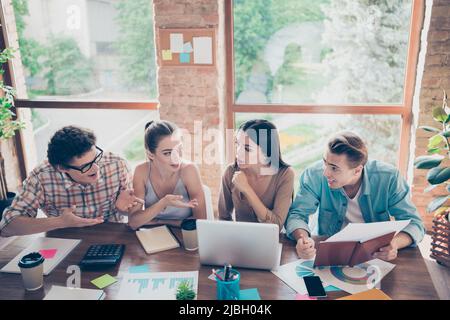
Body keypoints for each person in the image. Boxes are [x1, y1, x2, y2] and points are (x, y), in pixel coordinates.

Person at [286, 131, 425, 261]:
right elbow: (297, 214)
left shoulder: (389, 178)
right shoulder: (313, 175)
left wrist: (394, 244)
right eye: (325, 163)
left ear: (357, 170)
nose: (325, 173)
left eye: (334, 168)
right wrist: (302, 239)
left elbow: (414, 224)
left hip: (373, 256)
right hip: (329, 253)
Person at [0, 126, 139, 237]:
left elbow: (134, 216)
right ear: (62, 168)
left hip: (112, 239)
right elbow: (7, 226)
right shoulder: (41, 177)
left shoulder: (117, 165)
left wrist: (125, 210)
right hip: (64, 243)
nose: (96, 168)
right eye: (86, 166)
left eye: (96, 158)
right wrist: (59, 222)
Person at [126, 120, 206, 229]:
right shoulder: (141, 171)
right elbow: (133, 222)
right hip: (154, 237)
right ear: (150, 154)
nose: (176, 158)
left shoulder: (189, 170)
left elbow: (200, 223)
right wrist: (163, 203)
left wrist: (158, 221)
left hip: (185, 236)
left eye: (179, 150)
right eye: (167, 153)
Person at [218, 119, 295, 231]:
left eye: (247, 149)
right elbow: (224, 218)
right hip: (240, 239)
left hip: (271, 240)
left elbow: (276, 225)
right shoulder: (230, 172)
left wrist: (247, 189)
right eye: (237, 144)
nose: (238, 153)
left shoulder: (285, 175)